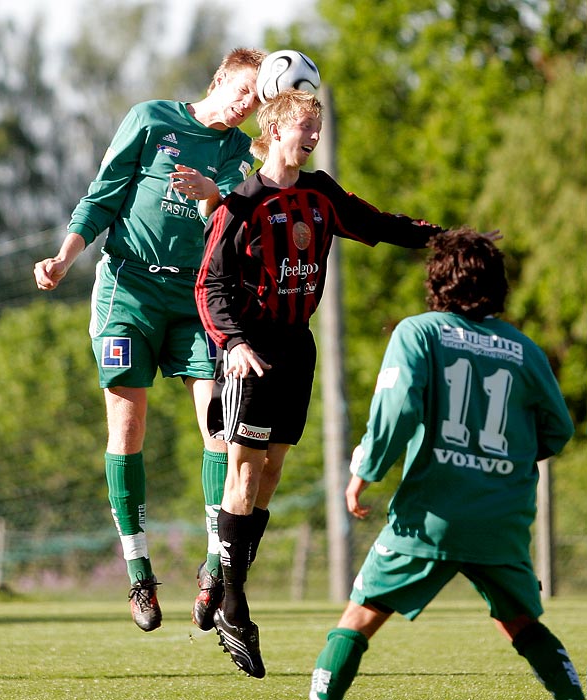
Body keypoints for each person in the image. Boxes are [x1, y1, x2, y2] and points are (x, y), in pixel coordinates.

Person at [194, 88, 459, 678]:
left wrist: (446, 237)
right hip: (250, 353)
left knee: (273, 470)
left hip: (296, 348)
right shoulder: (240, 205)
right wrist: (233, 346)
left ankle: (219, 573)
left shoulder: (321, 194)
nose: (313, 135)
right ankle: (234, 605)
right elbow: (207, 287)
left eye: (317, 126)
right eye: (304, 126)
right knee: (243, 468)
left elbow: (380, 224)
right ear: (277, 128)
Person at [33, 47, 266, 633]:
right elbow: (103, 194)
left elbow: (246, 220)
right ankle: (139, 572)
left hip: (196, 300)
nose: (245, 104)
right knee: (127, 426)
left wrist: (215, 193)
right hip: (127, 294)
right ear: (219, 79)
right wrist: (64, 258)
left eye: (256, 98)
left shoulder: (242, 153)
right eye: (241, 90)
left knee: (221, 427)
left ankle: (216, 565)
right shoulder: (151, 119)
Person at [309, 227, 584, 700]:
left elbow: (398, 408)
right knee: (517, 620)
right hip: (500, 520)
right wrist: (500, 458)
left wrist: (365, 473)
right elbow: (558, 429)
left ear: (437, 282)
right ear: (498, 286)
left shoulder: (419, 332)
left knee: (360, 615)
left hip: (430, 517)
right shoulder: (524, 349)